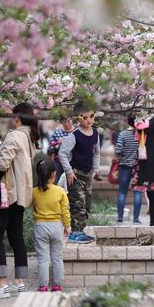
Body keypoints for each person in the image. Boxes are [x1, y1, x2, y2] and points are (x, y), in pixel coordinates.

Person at [0, 102, 39, 301]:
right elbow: (13, 158)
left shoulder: (15, 135)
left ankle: (1, 283)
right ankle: (19, 282)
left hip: (7, 195)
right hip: (21, 196)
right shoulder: (29, 138)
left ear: (17, 117)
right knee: (16, 238)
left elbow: (3, 163)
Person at [58, 103, 100, 244]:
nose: (89, 120)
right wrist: (69, 171)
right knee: (77, 203)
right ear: (78, 118)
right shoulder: (74, 135)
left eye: (92, 116)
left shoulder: (95, 134)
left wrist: (95, 169)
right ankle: (75, 233)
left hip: (88, 174)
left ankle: (81, 231)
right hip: (75, 174)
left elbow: (96, 153)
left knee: (87, 203)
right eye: (85, 117)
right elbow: (62, 154)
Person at [32, 159, 70, 292]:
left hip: (40, 226)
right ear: (54, 175)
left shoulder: (34, 192)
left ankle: (43, 286)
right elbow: (65, 211)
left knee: (43, 258)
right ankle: (57, 285)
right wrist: (67, 226)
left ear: (38, 175)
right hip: (56, 226)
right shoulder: (60, 191)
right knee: (57, 258)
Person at [133, 96, 154, 226]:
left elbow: (142, 127)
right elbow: (133, 121)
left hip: (152, 159)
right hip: (147, 159)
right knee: (150, 189)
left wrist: (140, 115)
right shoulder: (152, 118)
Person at [115, 114, 141, 223]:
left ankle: (120, 217)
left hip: (124, 166)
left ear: (127, 121)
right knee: (137, 192)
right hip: (138, 167)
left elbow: (118, 150)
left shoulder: (123, 134)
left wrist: (123, 155)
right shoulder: (141, 135)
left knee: (122, 192)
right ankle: (136, 218)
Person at [48, 116, 75, 182]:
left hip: (73, 161)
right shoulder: (57, 133)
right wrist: (58, 143)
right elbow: (51, 149)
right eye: (64, 122)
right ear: (61, 122)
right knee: (58, 180)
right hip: (58, 162)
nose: (66, 123)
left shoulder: (76, 131)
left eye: (68, 121)